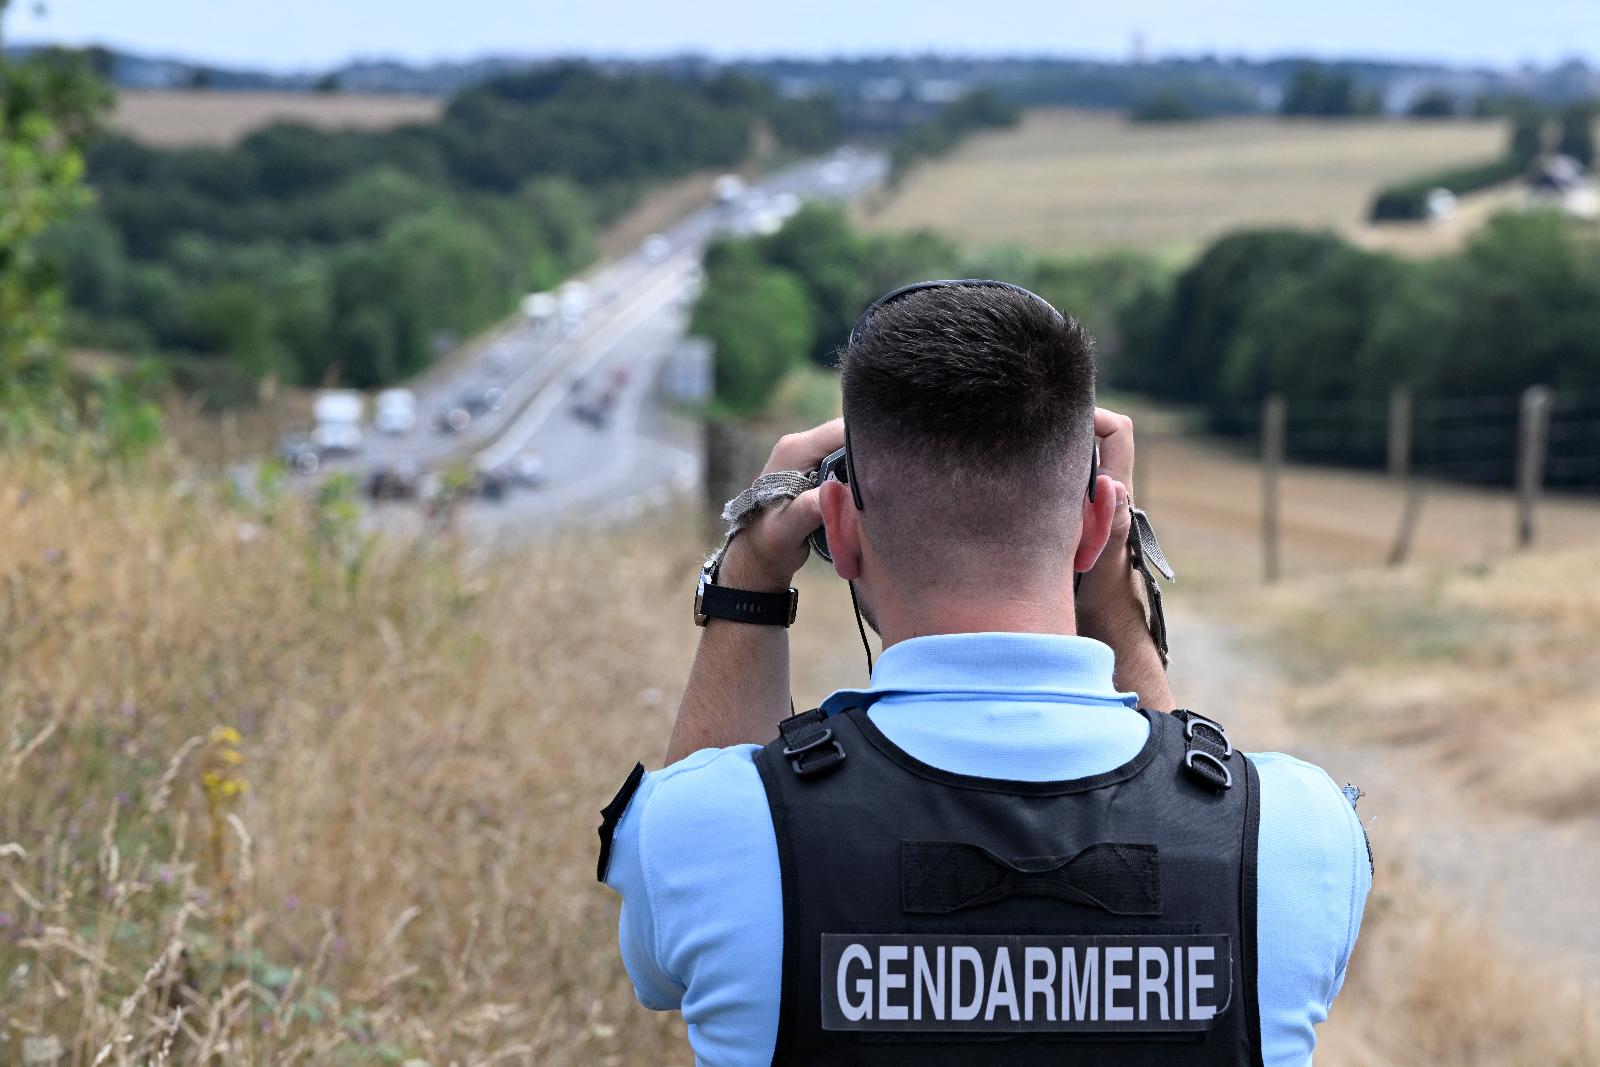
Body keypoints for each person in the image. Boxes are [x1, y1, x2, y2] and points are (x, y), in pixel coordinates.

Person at [598, 281, 1370, 1065]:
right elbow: (1186, 800)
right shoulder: (1295, 833)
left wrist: (748, 585)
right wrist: (1119, 604)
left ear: (839, 528)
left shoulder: (710, 830)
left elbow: (664, 958)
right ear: (1098, 524)